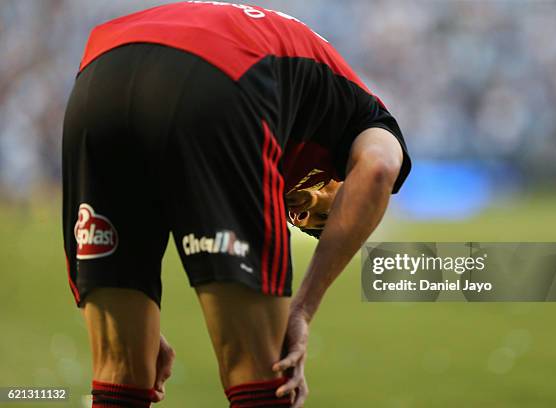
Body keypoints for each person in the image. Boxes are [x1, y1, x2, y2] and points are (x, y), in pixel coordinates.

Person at [62, 2, 411, 407]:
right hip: (221, 70)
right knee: (265, 377)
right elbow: (381, 167)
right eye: (323, 213)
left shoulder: (301, 88)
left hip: (99, 73)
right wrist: (301, 310)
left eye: (300, 221)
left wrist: (129, 303)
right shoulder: (368, 116)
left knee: (121, 374)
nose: (301, 211)